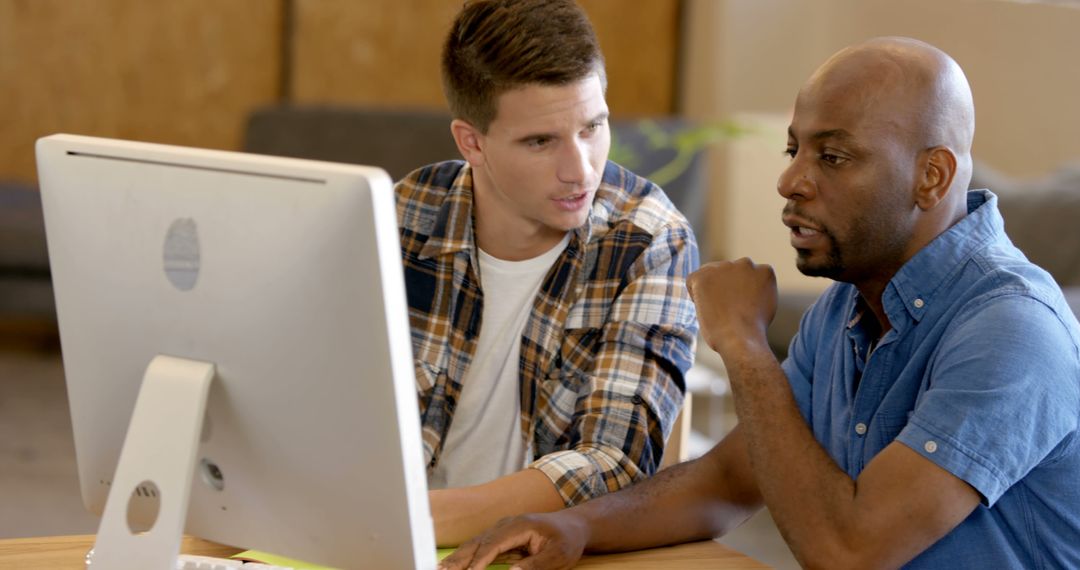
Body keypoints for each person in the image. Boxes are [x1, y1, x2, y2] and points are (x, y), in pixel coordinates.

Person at [440, 37, 1080, 569]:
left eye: (832, 156)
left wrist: (744, 343)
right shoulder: (847, 306)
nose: (791, 180)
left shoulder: (1012, 329)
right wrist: (576, 527)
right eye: (794, 149)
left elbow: (851, 551)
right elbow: (727, 480)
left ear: (931, 176)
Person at [393, 0, 699, 546]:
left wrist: (417, 517)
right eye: (541, 141)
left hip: (532, 554)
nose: (580, 169)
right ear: (472, 142)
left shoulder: (647, 240)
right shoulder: (407, 212)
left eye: (593, 127)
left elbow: (615, 462)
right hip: (374, 545)